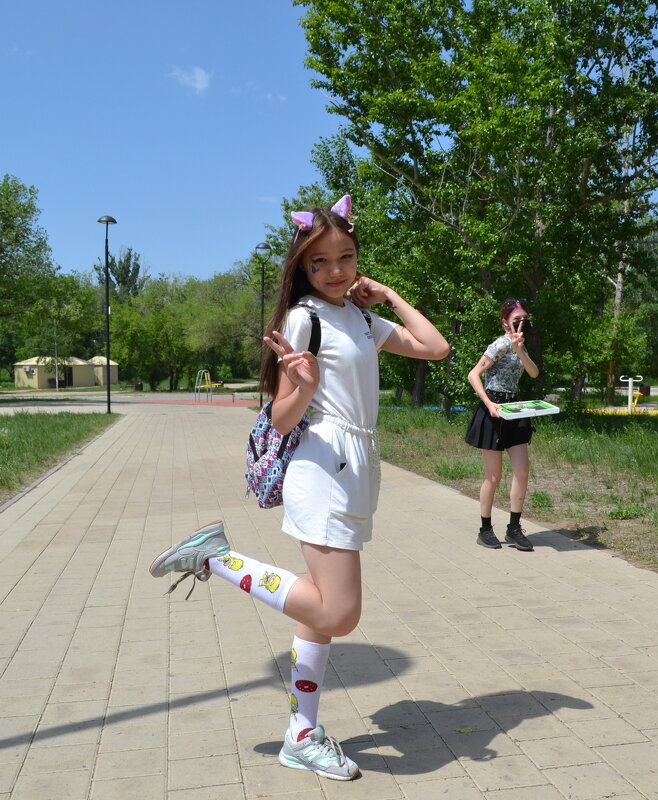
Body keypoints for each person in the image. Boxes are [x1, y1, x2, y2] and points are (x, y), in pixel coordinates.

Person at [148, 195, 449, 781]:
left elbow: (435, 348)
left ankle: (302, 734)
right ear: (302, 270)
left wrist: (386, 295)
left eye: (347, 258)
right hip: (323, 465)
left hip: (361, 465)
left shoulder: (361, 317)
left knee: (318, 611)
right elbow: (283, 419)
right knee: (341, 611)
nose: (336, 271)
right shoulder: (304, 318)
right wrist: (304, 386)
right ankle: (218, 559)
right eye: (321, 263)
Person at [465, 299, 540, 551]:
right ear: (505, 322)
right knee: (494, 476)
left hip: (514, 409)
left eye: (524, 320)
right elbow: (473, 374)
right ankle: (485, 529)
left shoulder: (520, 346)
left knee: (522, 471)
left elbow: (533, 373)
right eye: (516, 319)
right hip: (494, 409)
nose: (521, 324)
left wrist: (519, 349)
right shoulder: (499, 344)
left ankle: (514, 528)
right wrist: (488, 403)